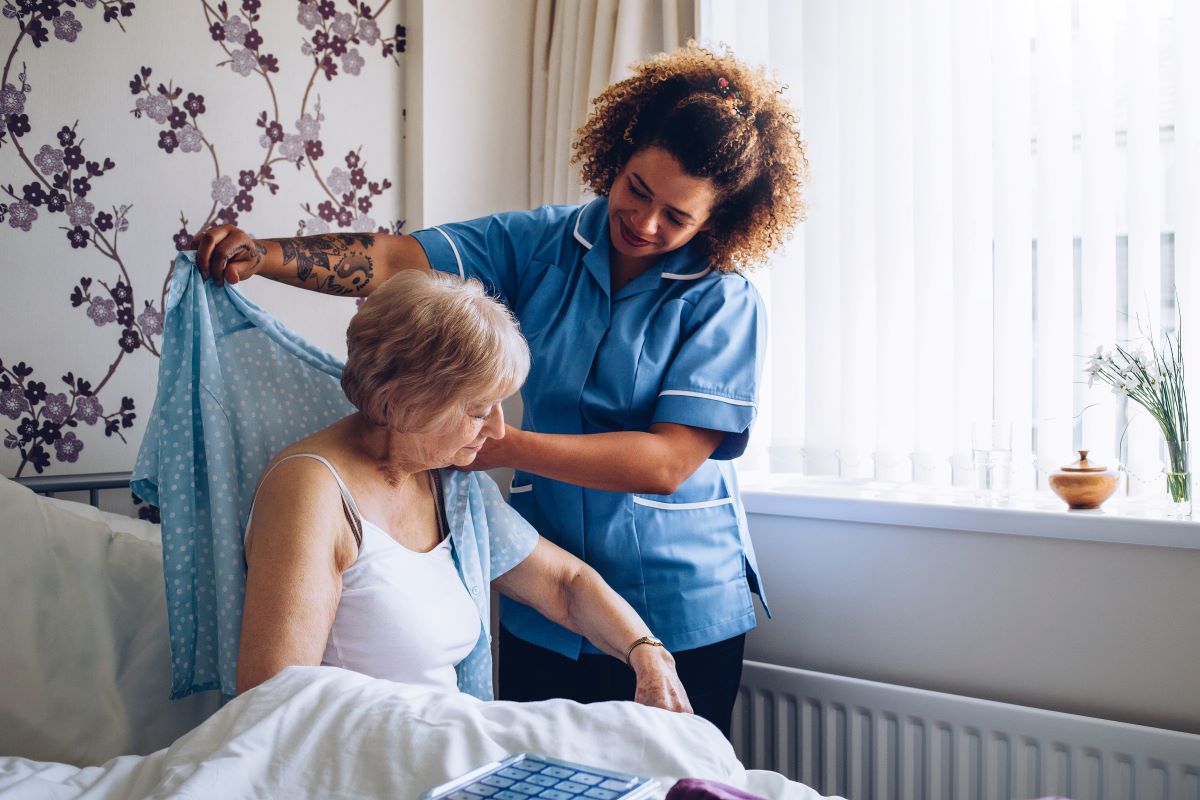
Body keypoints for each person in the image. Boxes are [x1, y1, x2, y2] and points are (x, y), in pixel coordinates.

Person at [200, 43, 807, 736]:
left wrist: (496, 442)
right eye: (638, 190)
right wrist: (265, 257)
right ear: (620, 155)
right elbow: (398, 260)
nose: (644, 223)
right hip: (545, 604)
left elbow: (666, 463)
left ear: (718, 222)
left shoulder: (723, 302)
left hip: (677, 601)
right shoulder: (540, 244)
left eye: (677, 217)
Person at [237, 268, 691, 715]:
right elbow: (272, 704)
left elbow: (564, 583)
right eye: (478, 410)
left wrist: (646, 651)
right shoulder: (311, 491)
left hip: (442, 747)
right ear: (402, 400)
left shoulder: (449, 483)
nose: (497, 429)